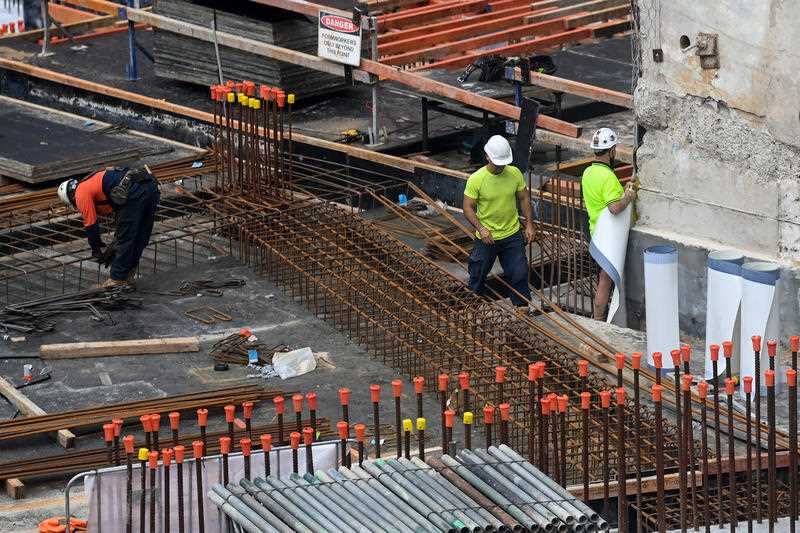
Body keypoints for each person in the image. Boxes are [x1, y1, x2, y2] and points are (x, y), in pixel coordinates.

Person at [57, 166, 160, 288]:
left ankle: (116, 279)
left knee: (126, 238)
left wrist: (96, 249)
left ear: (71, 198)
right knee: (140, 236)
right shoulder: (92, 179)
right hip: (150, 185)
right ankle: (127, 275)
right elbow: (119, 212)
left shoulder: (80, 193)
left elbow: (91, 224)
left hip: (134, 191)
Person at [463, 135, 535, 307]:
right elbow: (467, 207)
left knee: (519, 273)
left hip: (512, 234)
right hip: (487, 237)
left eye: (503, 162)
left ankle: (522, 308)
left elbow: (524, 198)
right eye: (498, 162)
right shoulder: (476, 179)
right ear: (487, 156)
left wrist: (530, 224)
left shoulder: (515, 173)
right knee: (477, 274)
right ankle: (473, 307)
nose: (501, 166)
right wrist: (481, 229)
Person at [581, 128, 637, 320]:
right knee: (605, 279)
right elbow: (614, 208)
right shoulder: (608, 177)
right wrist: (628, 197)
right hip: (608, 236)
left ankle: (599, 318)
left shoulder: (588, 172)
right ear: (612, 150)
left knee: (603, 277)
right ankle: (598, 321)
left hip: (594, 231)